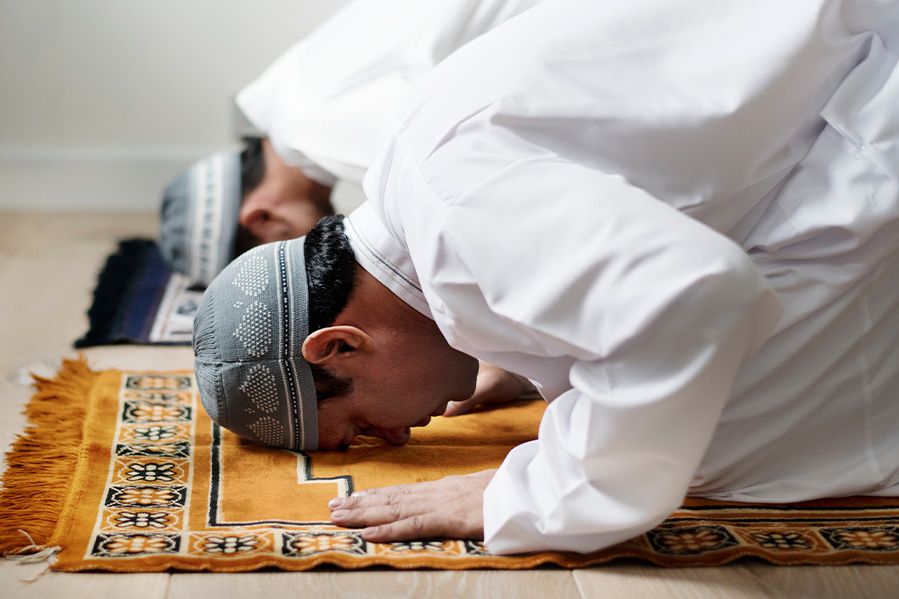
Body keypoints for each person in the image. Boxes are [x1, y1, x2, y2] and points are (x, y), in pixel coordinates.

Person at [193, 0, 899, 554]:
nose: (399, 438)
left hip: (870, 76)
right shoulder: (409, 183)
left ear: (339, 345)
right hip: (839, 86)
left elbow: (695, 293)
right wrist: (533, 355)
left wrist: (536, 493)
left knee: (715, 449)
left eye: (360, 428)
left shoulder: (455, 211)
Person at [158, 0, 542, 285]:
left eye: (290, 258)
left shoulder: (318, 131)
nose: (314, 258)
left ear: (260, 217)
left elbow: (477, 197)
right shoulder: (290, 85)